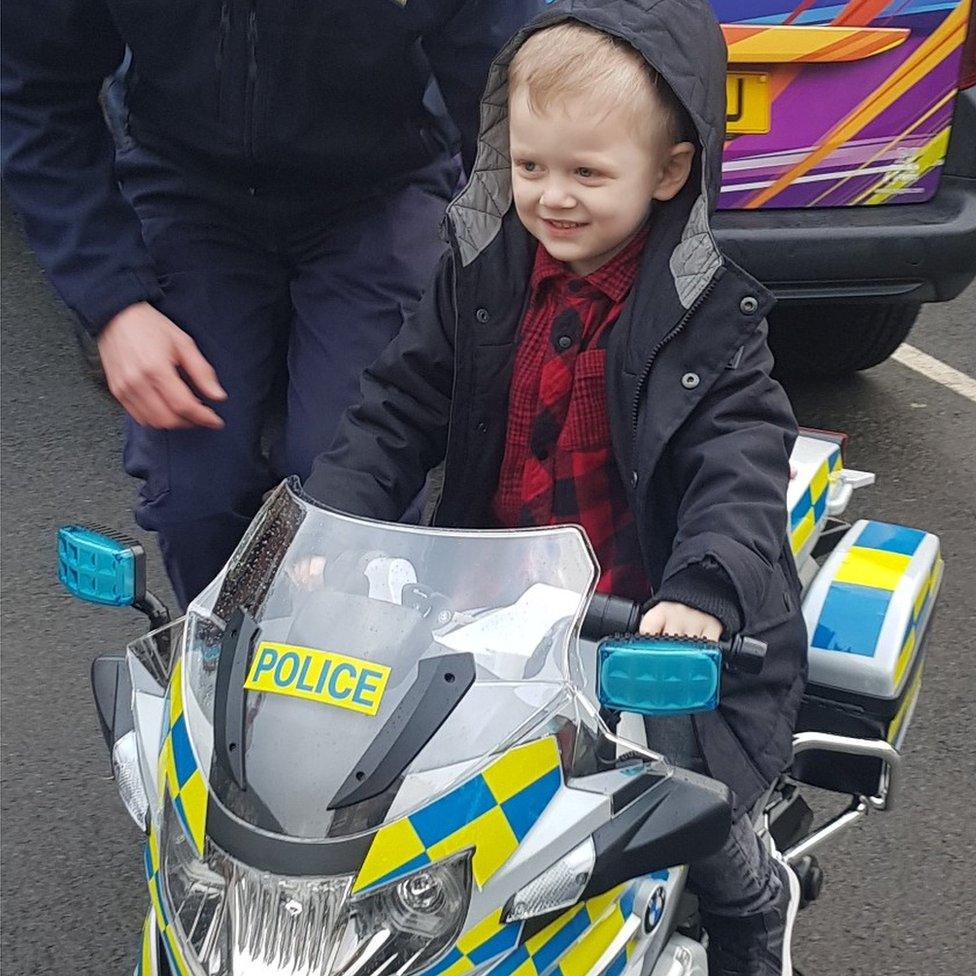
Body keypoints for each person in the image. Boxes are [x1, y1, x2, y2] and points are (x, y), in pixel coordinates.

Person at [304, 3, 808, 973]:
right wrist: (337, 511)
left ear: (668, 173)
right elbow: (397, 404)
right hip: (492, 594)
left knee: (674, 790)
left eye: (587, 173)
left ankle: (750, 898)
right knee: (407, 768)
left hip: (638, 614)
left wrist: (699, 591)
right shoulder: (480, 271)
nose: (552, 196)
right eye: (530, 167)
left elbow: (739, 466)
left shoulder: (708, 315)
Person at [1, 0, 538, 608]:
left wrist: (522, 281)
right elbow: (33, 92)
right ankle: (215, 676)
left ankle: (348, 672)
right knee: (195, 496)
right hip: (188, 186)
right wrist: (114, 304)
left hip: (380, 188)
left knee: (344, 499)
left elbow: (504, 103)